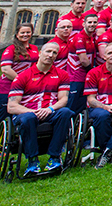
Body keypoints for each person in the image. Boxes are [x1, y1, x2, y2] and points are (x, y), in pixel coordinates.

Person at [7, 42, 73, 176]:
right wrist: (33, 112)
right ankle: (32, 161)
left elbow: (64, 99)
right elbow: (12, 106)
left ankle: (54, 157)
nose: (51, 55)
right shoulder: (23, 76)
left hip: (49, 111)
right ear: (40, 53)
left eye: (54, 53)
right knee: (28, 118)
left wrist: (50, 109)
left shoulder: (62, 75)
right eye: (48, 51)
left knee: (65, 112)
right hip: (27, 112)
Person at [0, 24, 39, 120]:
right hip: (8, 87)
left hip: (26, 88)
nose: (25, 34)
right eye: (22, 32)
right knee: (4, 115)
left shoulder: (34, 48)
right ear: (17, 34)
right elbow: (5, 69)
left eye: (28, 32)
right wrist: (21, 81)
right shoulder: (11, 49)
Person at [67, 14, 99, 113]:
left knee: (82, 105)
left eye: (94, 22)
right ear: (84, 23)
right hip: (76, 77)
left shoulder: (91, 37)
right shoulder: (80, 38)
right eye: (89, 22)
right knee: (73, 106)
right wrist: (93, 73)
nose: (92, 24)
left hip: (84, 76)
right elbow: (83, 60)